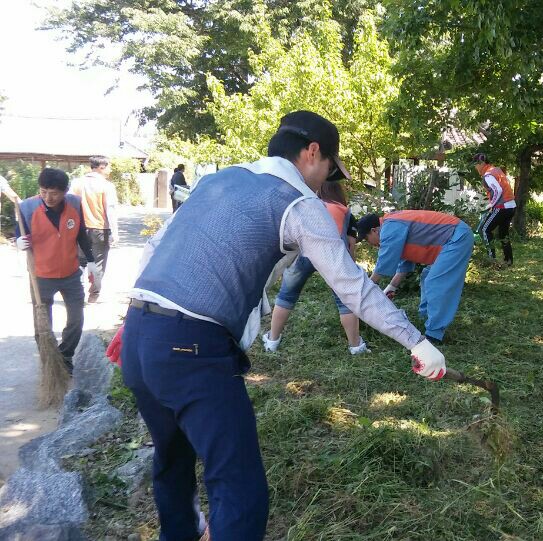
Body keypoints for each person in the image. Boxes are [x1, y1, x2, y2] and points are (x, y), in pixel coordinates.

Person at [111, 111, 446, 541]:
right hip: (192, 351)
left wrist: (138, 319)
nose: (325, 183)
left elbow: (156, 247)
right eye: (328, 170)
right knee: (240, 491)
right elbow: (352, 286)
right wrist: (416, 342)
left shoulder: (220, 179)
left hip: (140, 333)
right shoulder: (299, 204)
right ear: (311, 154)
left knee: (172, 464)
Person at [262, 179, 370, 354]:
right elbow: (350, 243)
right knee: (345, 302)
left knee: (287, 296)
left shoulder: (309, 206)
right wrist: (350, 267)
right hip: (333, 256)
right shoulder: (345, 212)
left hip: (304, 254)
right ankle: (356, 346)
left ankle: (272, 341)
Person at [16, 168, 98, 374]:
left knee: (77, 319)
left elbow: (81, 234)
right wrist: (18, 241)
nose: (48, 197)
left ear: (65, 192)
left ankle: (65, 355)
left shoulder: (75, 203)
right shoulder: (27, 208)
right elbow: (20, 233)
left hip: (70, 273)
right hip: (41, 276)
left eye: (54, 193)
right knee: (43, 324)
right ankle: (50, 361)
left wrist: (91, 261)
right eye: (43, 191)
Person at [356, 209, 473, 344]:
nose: (369, 243)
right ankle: (426, 317)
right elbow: (405, 263)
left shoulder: (390, 227)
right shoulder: (392, 224)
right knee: (426, 276)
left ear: (374, 230)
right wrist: (391, 287)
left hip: (457, 238)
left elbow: (383, 265)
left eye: (366, 238)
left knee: (436, 282)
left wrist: (366, 290)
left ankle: (434, 334)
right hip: (454, 237)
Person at [70, 155, 118, 303]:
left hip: (79, 229)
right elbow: (110, 209)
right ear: (101, 167)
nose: (109, 170)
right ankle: (93, 296)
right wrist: (115, 232)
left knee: (80, 262)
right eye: (108, 167)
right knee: (98, 264)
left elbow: (69, 204)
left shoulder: (77, 183)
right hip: (99, 229)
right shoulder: (106, 186)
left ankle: (77, 293)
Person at [472, 153, 516, 265]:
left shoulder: (488, 175)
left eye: (476, 164)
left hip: (502, 207)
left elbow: (498, 190)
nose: (475, 167)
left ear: (481, 163)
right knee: (503, 234)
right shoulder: (496, 170)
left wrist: (491, 204)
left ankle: (491, 260)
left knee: (484, 230)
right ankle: (508, 260)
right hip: (511, 206)